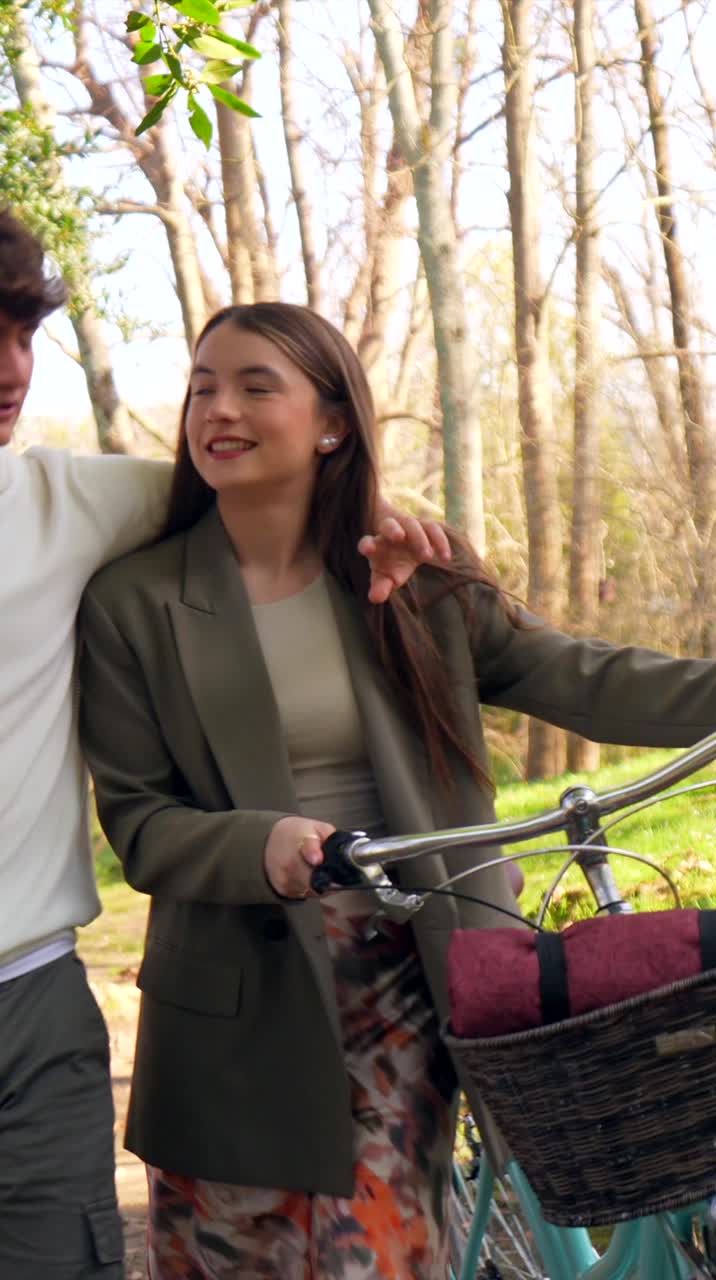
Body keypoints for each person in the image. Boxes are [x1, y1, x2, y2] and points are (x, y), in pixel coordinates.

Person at [78, 300, 716, 1280]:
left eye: (256, 385)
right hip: (235, 1004)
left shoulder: (409, 573)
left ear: (333, 423)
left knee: (378, 1256)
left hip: (405, 980)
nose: (219, 408)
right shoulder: (135, 602)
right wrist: (264, 843)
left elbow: (580, 677)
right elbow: (140, 822)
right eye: (203, 386)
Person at [0, 210, 448, 1280]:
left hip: (32, 1005)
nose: (13, 368)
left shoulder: (73, 502)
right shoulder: (120, 564)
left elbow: (269, 485)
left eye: (23, 333)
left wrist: (395, 529)